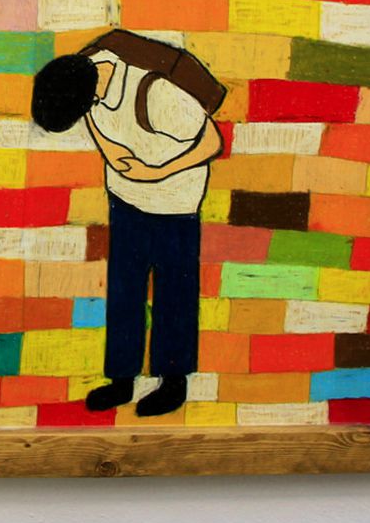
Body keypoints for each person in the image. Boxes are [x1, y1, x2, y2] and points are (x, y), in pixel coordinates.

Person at [30, 31, 226, 417]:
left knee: (174, 294)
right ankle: (122, 380)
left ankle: (173, 382)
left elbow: (211, 142)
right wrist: (112, 152)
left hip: (175, 206)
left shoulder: (156, 93)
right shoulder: (83, 75)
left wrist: (156, 172)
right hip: (124, 200)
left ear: (91, 93)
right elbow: (93, 120)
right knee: (124, 291)